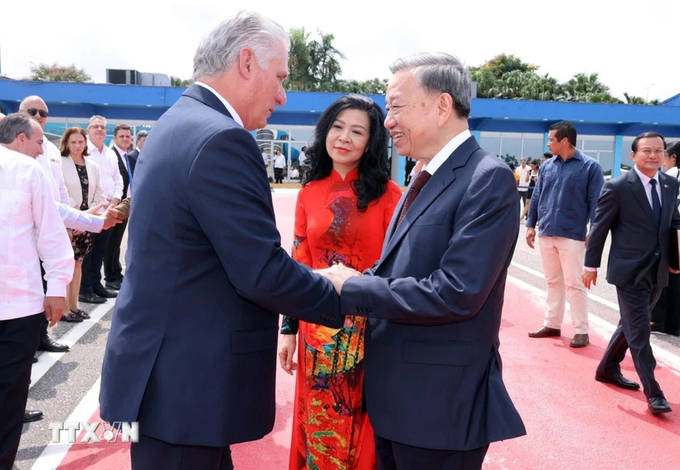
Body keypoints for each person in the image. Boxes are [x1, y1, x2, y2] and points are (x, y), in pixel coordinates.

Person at [100, 12, 345, 470]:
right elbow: (261, 271)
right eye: (279, 77)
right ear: (247, 62)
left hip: (169, 382)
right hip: (186, 390)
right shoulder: (222, 139)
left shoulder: (179, 122)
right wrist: (340, 289)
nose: (282, 94)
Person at [316, 52, 525, 470]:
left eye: (395, 106)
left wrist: (351, 287)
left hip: (439, 410)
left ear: (442, 105)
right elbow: (394, 269)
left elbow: (456, 292)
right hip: (400, 402)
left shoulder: (486, 178)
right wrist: (333, 284)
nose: (387, 119)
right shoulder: (421, 176)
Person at [277, 95, 402, 470]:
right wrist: (288, 330)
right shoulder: (309, 193)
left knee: (361, 430)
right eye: (337, 127)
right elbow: (298, 265)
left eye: (357, 131)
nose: (344, 138)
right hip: (317, 332)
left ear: (371, 142)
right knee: (318, 424)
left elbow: (395, 269)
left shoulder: (391, 196)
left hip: (369, 333)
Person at [583, 132, 680, 415]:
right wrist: (591, 266)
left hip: (658, 269)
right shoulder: (617, 187)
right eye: (647, 150)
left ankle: (607, 368)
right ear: (633, 155)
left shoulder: (670, 183)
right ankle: (654, 392)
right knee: (640, 332)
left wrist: (674, 258)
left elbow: (672, 221)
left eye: (658, 151)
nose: (653, 155)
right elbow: (599, 229)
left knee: (629, 324)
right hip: (628, 271)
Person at [0, 143, 74, 469]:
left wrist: (57, 287)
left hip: (18, 307)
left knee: (9, 399)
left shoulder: (26, 169)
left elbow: (50, 233)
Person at [526, 121, 604, 348]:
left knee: (575, 283)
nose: (548, 143)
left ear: (565, 141)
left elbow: (595, 204)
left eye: (551, 139)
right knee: (553, 282)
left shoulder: (590, 167)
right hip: (546, 232)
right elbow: (538, 196)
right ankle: (552, 323)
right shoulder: (548, 166)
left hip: (572, 235)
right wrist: (531, 225)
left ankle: (581, 330)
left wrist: (594, 231)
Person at [60, 127, 104, 322]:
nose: (78, 145)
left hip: (86, 222)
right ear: (66, 144)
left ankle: (74, 306)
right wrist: (76, 218)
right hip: (69, 222)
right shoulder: (60, 164)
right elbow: (61, 194)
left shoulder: (92, 165)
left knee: (78, 264)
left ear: (85, 143)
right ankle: (63, 310)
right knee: (65, 266)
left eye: (80, 142)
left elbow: (98, 194)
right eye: (73, 142)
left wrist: (87, 219)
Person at [80, 115, 122, 304]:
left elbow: (118, 178)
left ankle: (97, 285)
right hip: (92, 209)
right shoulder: (83, 150)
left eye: (103, 127)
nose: (99, 130)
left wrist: (115, 199)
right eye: (95, 127)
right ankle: (85, 288)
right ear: (88, 130)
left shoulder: (110, 153)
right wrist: (98, 203)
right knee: (87, 251)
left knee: (100, 251)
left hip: (109, 210)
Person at [650, 141, 680, 336]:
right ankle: (675, 323)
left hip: (671, 230)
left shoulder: (670, 176)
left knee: (663, 275)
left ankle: (657, 319)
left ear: (673, 158)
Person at [106, 124, 135, 291]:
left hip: (126, 205)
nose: (125, 139)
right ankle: (110, 277)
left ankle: (116, 272)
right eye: (122, 136)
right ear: (115, 138)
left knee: (117, 242)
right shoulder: (114, 155)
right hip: (116, 205)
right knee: (111, 243)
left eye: (127, 136)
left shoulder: (126, 156)